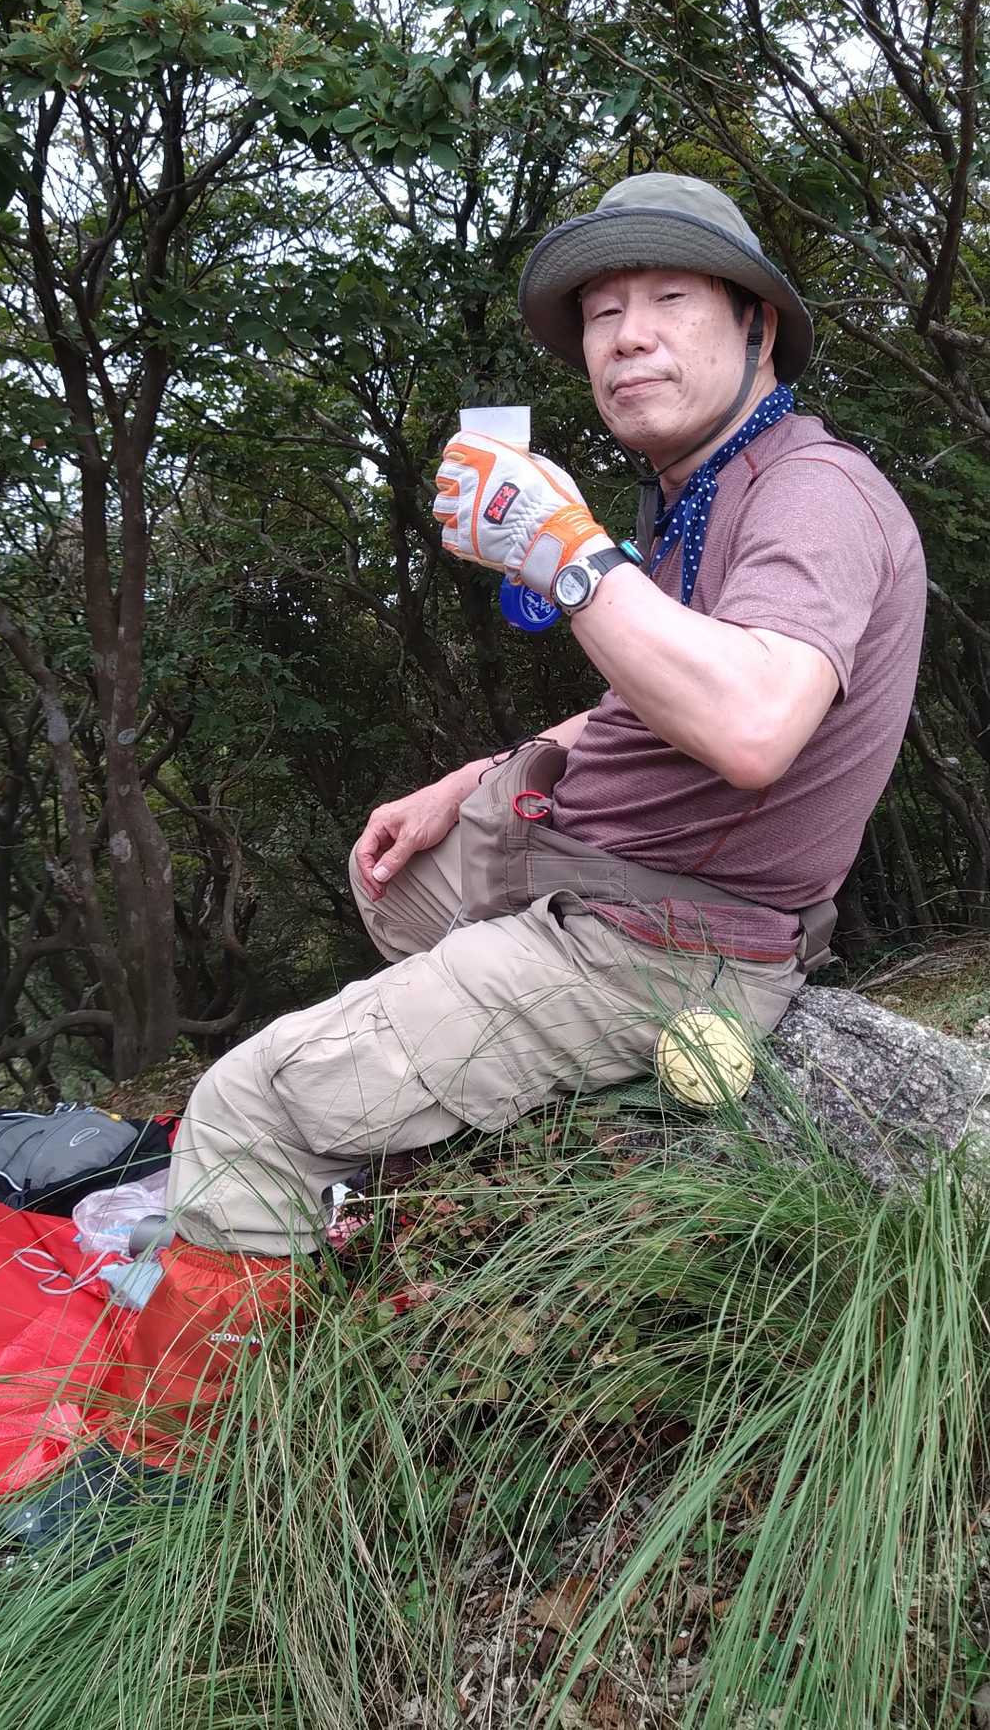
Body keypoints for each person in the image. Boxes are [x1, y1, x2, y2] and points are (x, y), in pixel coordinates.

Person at [114, 174, 926, 1427]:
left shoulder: (815, 492)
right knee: (389, 881)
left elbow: (755, 721)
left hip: (664, 936)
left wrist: (571, 551)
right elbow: (653, 687)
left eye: (671, 298)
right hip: (595, 852)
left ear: (757, 323)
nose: (629, 336)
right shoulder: (704, 485)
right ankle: (434, 1104)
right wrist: (472, 776)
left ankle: (169, 1453)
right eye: (603, 313)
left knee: (246, 1106)